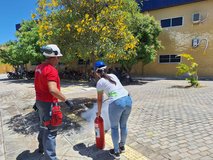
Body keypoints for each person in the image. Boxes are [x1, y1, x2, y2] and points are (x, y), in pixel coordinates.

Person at [34, 44, 73, 160]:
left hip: (39, 102)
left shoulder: (39, 67)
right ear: (53, 57)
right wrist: (66, 100)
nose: (59, 60)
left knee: (43, 126)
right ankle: (51, 158)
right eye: (58, 57)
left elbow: (38, 84)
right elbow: (53, 89)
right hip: (49, 104)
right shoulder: (51, 70)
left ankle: (41, 147)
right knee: (51, 131)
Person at [94, 60, 132, 160]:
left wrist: (99, 112)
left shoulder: (100, 82)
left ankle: (116, 152)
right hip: (128, 99)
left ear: (97, 72)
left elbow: (99, 99)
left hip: (117, 103)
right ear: (105, 69)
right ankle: (122, 146)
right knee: (123, 125)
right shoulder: (113, 76)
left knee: (114, 128)